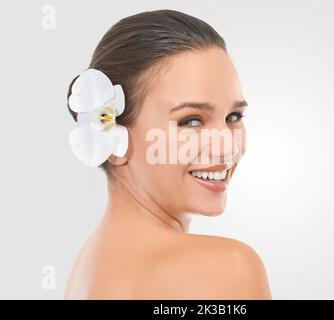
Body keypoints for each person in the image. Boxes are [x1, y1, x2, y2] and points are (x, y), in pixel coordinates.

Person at [64, 9, 272, 299]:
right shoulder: (229, 268)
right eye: (191, 120)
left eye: (234, 116)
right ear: (112, 138)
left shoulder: (86, 270)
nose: (227, 146)